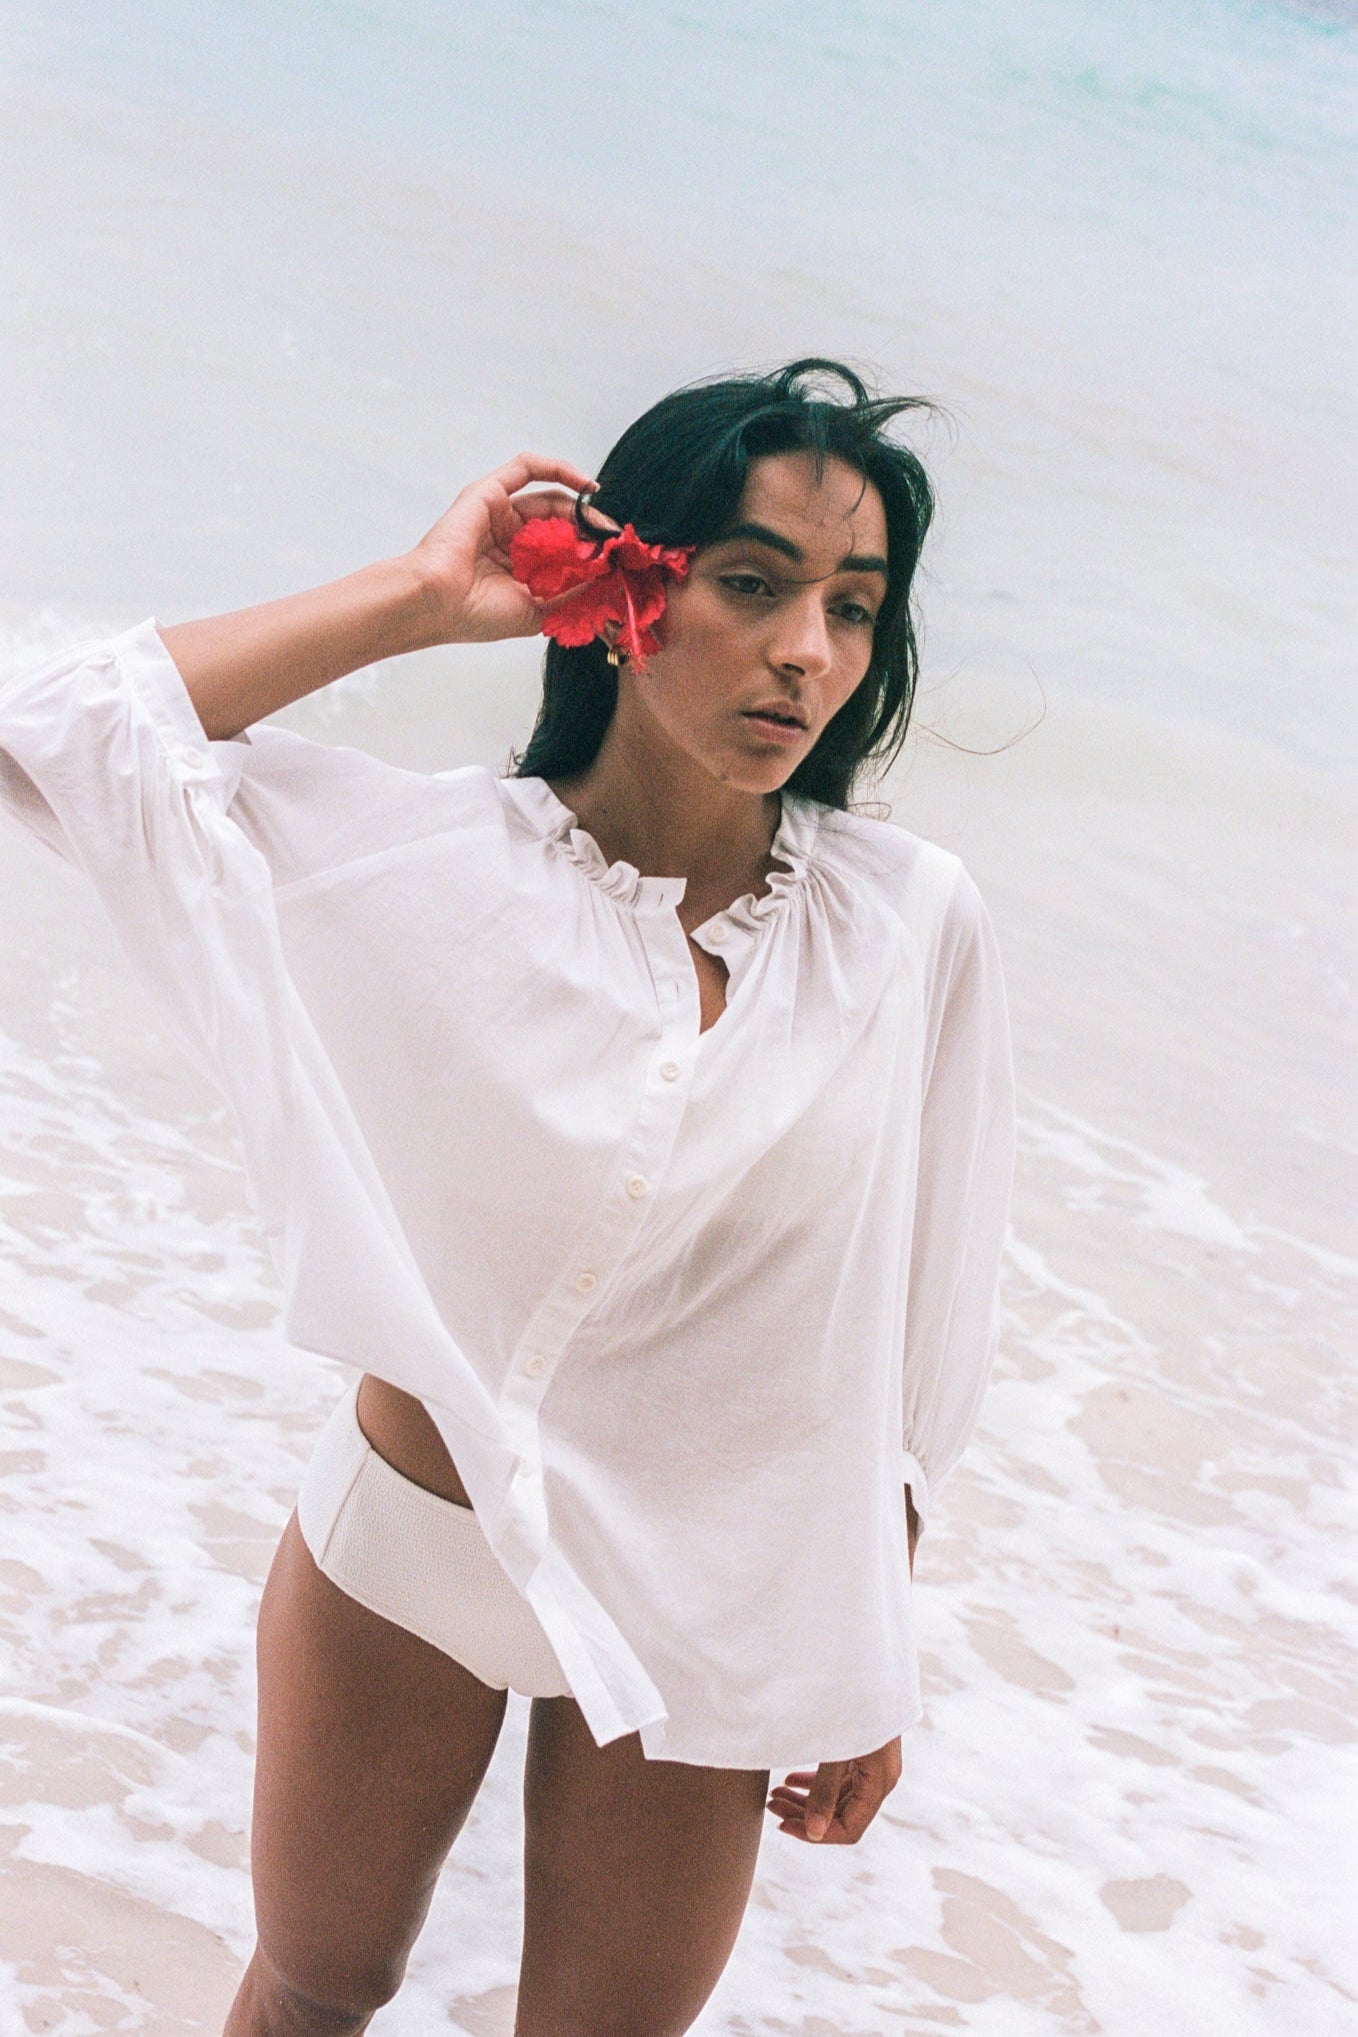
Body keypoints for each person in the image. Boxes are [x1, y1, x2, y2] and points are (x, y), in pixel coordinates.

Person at [0, 359, 1015, 2035]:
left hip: (719, 1601)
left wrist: (862, 1639)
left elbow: (925, 1312)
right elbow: (51, 739)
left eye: (853, 605)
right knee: (317, 1993)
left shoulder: (909, 924)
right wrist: (419, 596)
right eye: (752, 584)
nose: (806, 652)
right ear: (626, 586)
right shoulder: (427, 863)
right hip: (412, 1548)